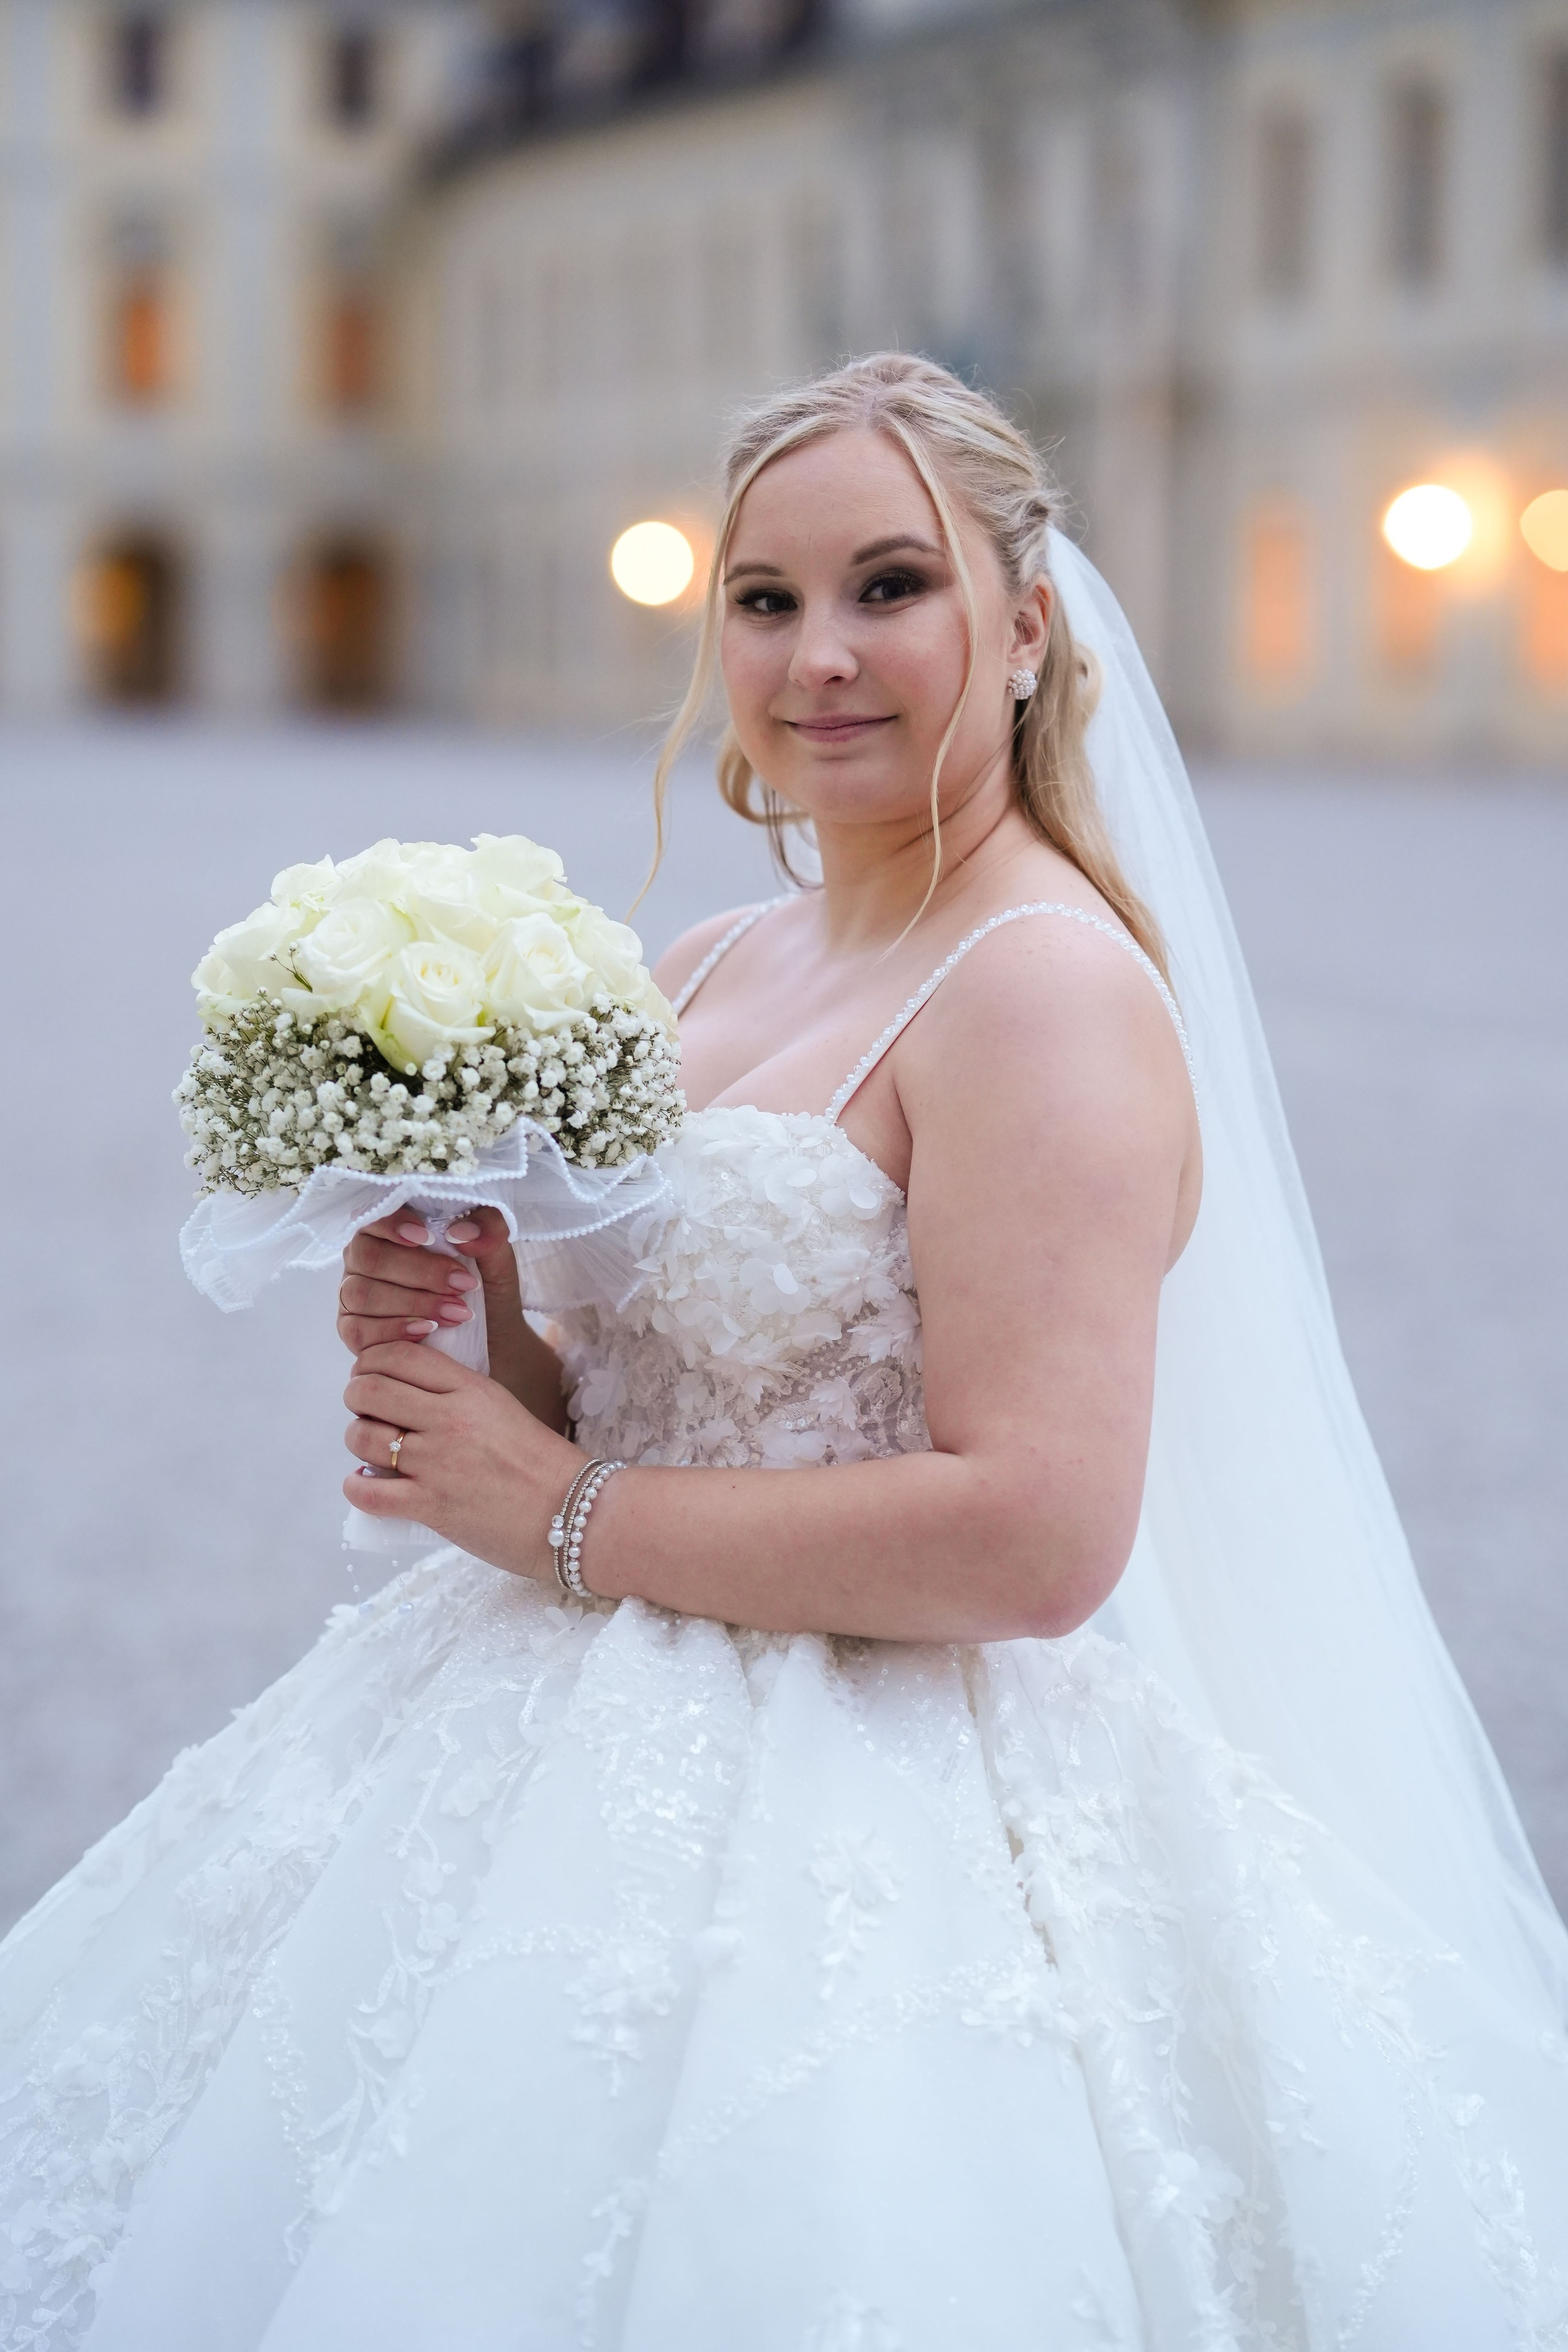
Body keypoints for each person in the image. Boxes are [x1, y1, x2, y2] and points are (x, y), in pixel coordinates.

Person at [2, 354, 1565, 2350]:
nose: (818, 655)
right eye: (766, 600)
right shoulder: (711, 966)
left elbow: (1037, 1535)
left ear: (1024, 627)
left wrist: (561, 1511)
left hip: (872, 1813)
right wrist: (469, 1321)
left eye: (888, 587)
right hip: (523, 1725)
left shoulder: (1046, 994)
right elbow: (638, 1389)